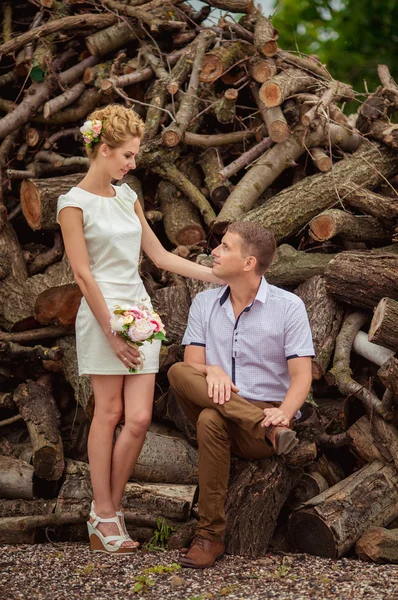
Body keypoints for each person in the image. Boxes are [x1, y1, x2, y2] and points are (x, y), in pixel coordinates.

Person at [57, 104, 223, 555]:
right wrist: (111, 330)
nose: (133, 164)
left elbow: (160, 256)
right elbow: (82, 274)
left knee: (141, 418)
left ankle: (103, 511)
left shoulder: (128, 197)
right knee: (108, 415)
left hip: (140, 312)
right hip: (102, 315)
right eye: (128, 155)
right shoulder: (71, 203)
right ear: (104, 150)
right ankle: (107, 514)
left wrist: (215, 275)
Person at [167, 221, 314, 568]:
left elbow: (301, 375)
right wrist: (211, 370)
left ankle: (209, 538)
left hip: (264, 412)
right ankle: (266, 429)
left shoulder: (288, 307)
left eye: (226, 247)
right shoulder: (204, 303)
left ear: (249, 263)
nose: (214, 252)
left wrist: (285, 414)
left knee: (209, 419)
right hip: (242, 412)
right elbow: (191, 366)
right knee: (176, 371)